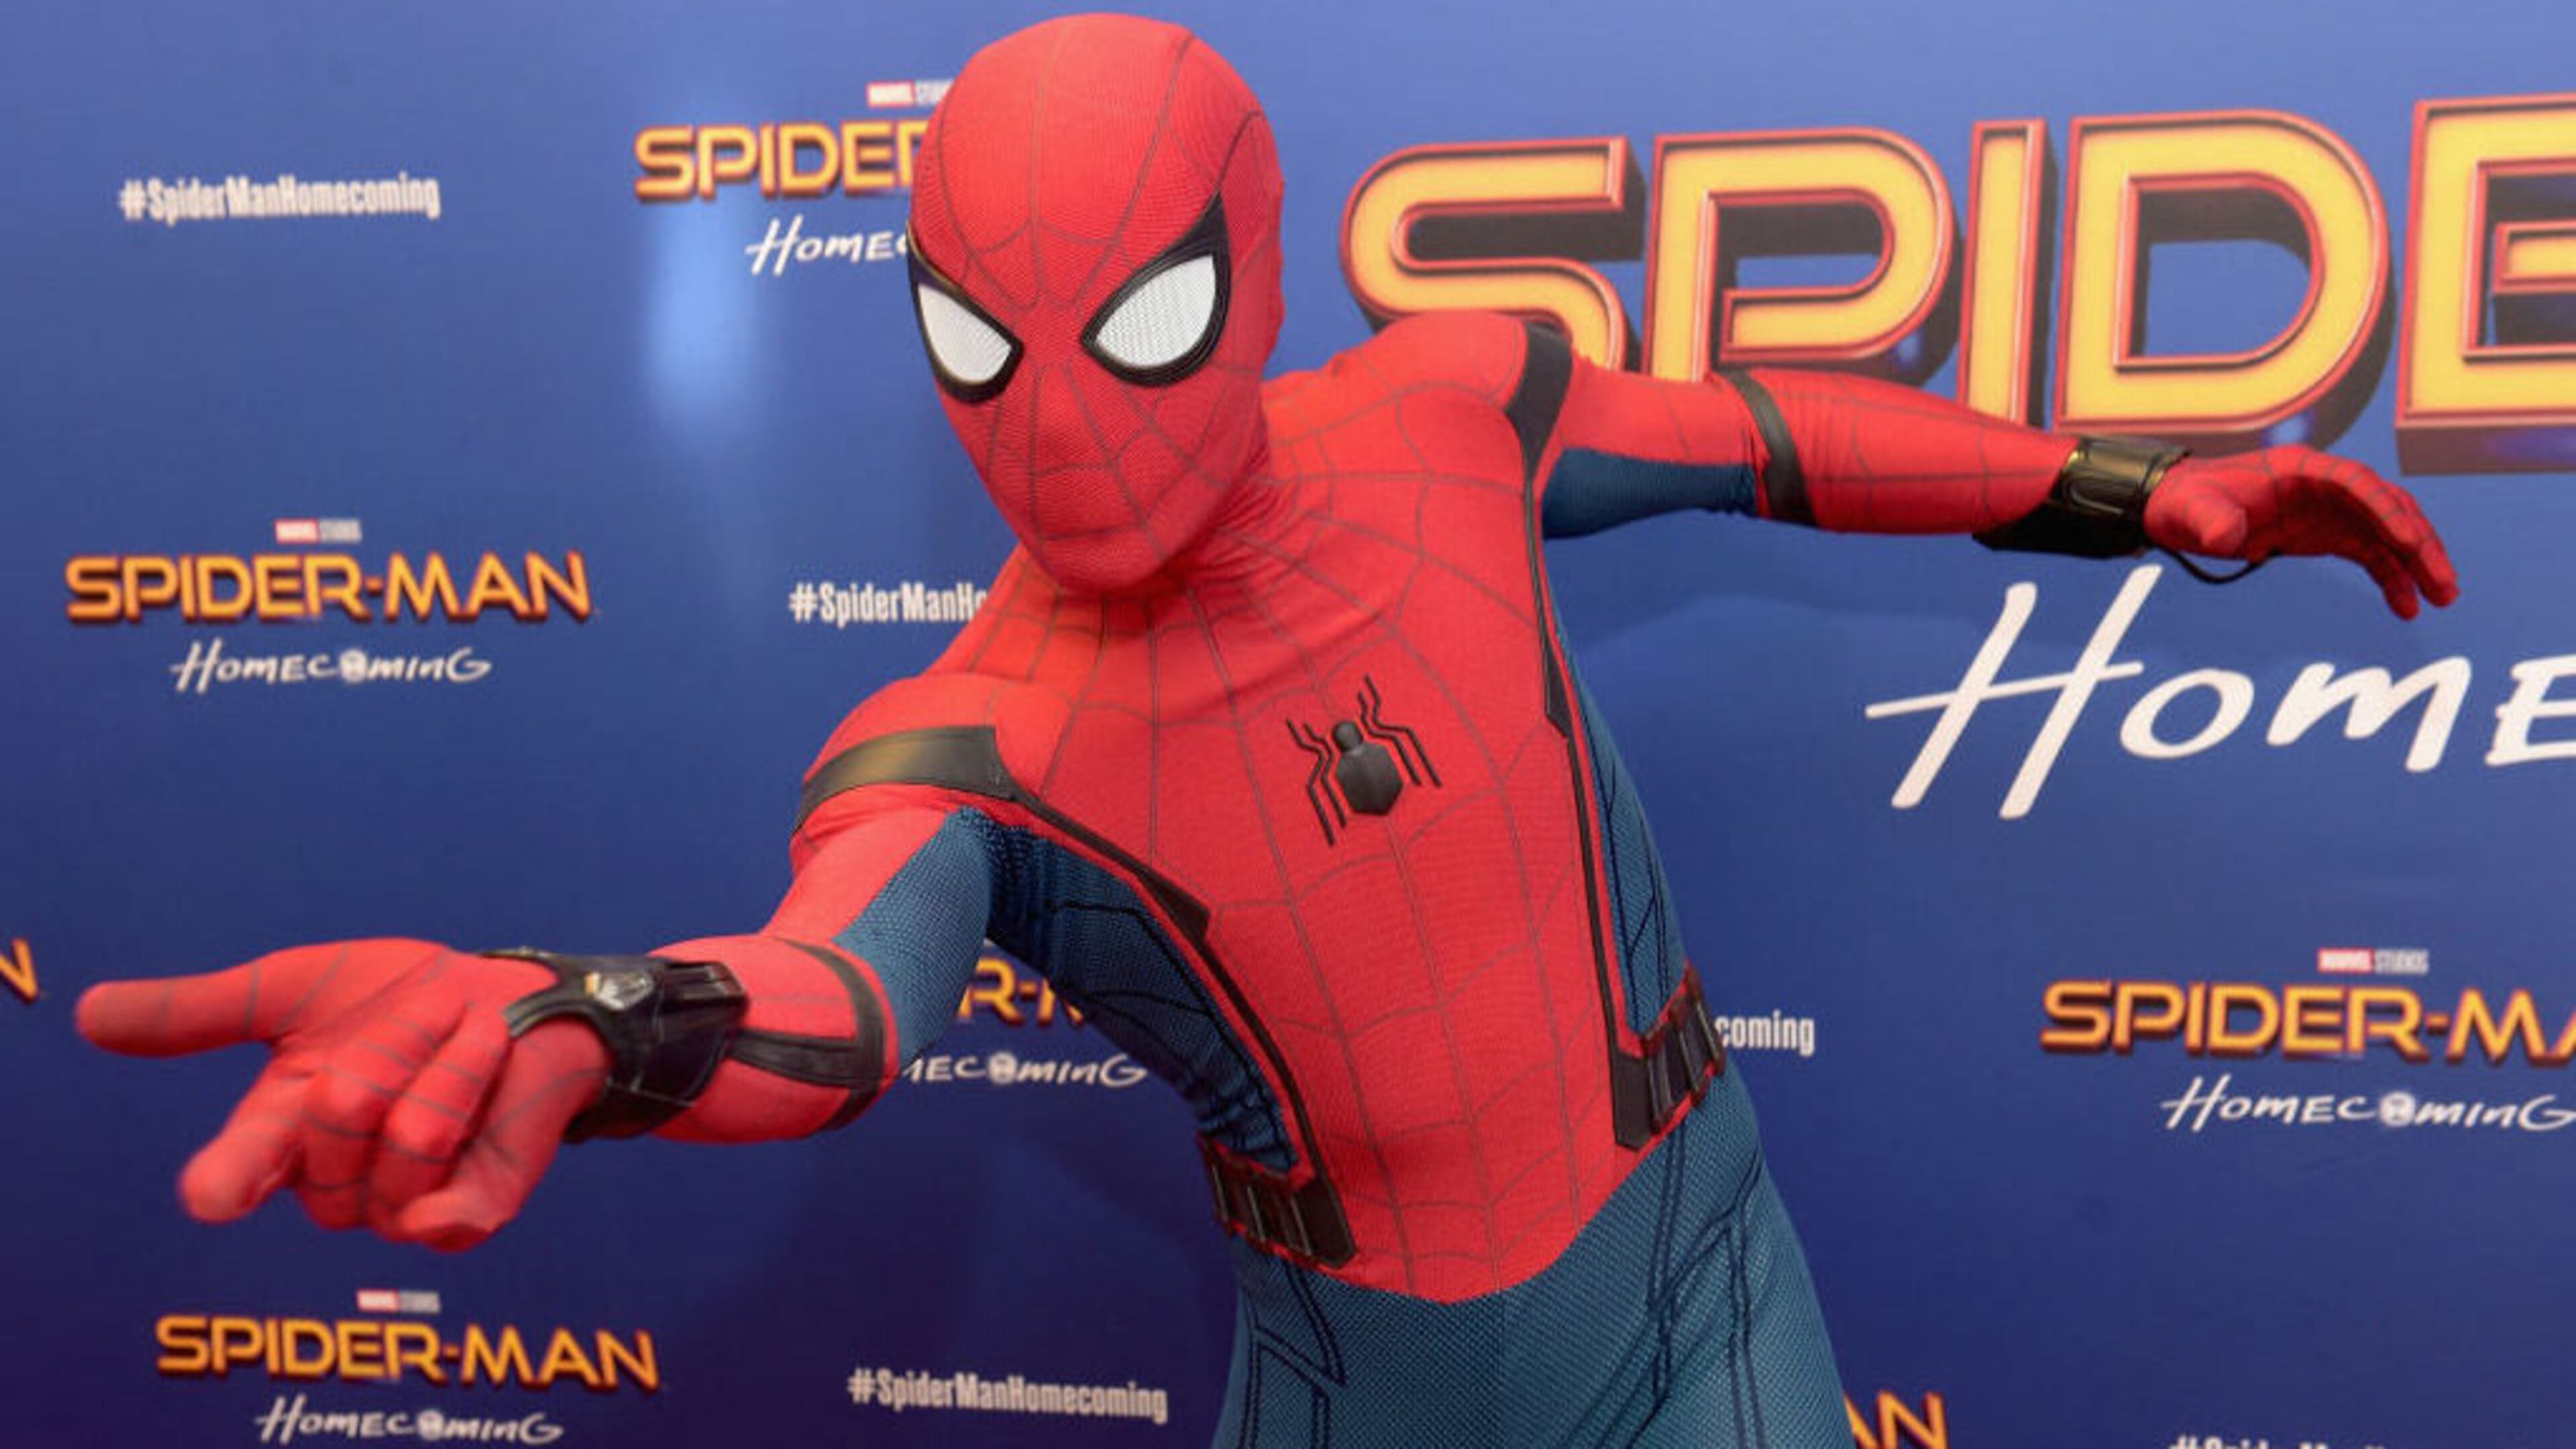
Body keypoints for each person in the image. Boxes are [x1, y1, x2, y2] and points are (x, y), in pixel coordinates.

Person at [80, 14, 2454, 1446]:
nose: (1062, 431)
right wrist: (596, 1014)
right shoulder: (968, 739)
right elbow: (829, 997)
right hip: (1383, 1383)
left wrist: (2137, 488)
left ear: (1245, 252)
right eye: (986, 351)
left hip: (1709, 1261)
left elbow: (1762, 425)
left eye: (1134, 325)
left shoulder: (1450, 411)